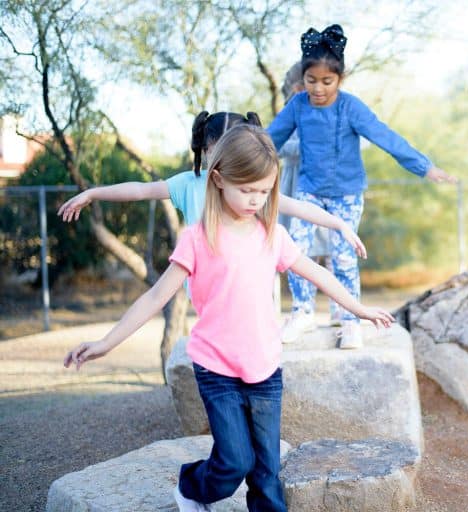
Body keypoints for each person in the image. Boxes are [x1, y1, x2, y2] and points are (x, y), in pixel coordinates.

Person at [62, 124, 395, 512]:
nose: (257, 199)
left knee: (267, 472)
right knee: (235, 462)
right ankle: (191, 486)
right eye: (247, 190)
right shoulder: (198, 238)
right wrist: (105, 343)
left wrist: (359, 309)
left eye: (265, 190)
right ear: (218, 179)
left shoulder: (272, 235)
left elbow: (317, 273)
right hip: (217, 368)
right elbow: (156, 296)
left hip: (265, 368)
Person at [267, 24, 457, 349]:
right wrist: (237, 161)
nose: (318, 89)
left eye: (327, 82)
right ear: (304, 79)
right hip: (309, 191)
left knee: (343, 256)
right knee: (294, 248)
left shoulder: (351, 107)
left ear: (340, 79)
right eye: (311, 81)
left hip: (346, 195)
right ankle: (302, 311)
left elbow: (385, 137)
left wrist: (424, 167)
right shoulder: (298, 105)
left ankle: (349, 318)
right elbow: (270, 139)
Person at [57, 111, 366, 259]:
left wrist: (339, 224)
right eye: (215, 152)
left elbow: (297, 206)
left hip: (246, 281)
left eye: (230, 154)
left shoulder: (251, 190)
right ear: (203, 151)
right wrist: (93, 192)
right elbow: (140, 189)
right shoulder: (190, 184)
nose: (222, 162)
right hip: (208, 283)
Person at [277, 61, 340, 326]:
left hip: (326, 189)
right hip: (296, 189)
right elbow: (277, 147)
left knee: (334, 249)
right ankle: (303, 309)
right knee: (302, 251)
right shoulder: (291, 115)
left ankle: (340, 309)